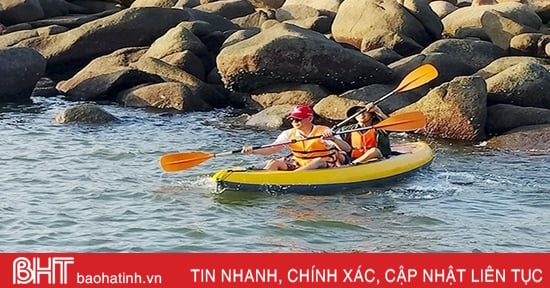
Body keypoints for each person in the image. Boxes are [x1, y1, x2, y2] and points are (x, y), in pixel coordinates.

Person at [241, 105, 351, 171]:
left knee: (318, 161)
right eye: (292, 119)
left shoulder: (324, 131)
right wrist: (253, 151)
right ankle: (264, 180)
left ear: (310, 118)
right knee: (274, 162)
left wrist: (334, 139)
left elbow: (347, 149)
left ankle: (293, 177)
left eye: (298, 119)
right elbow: (272, 149)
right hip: (299, 163)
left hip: (324, 164)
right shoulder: (288, 134)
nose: (294, 122)